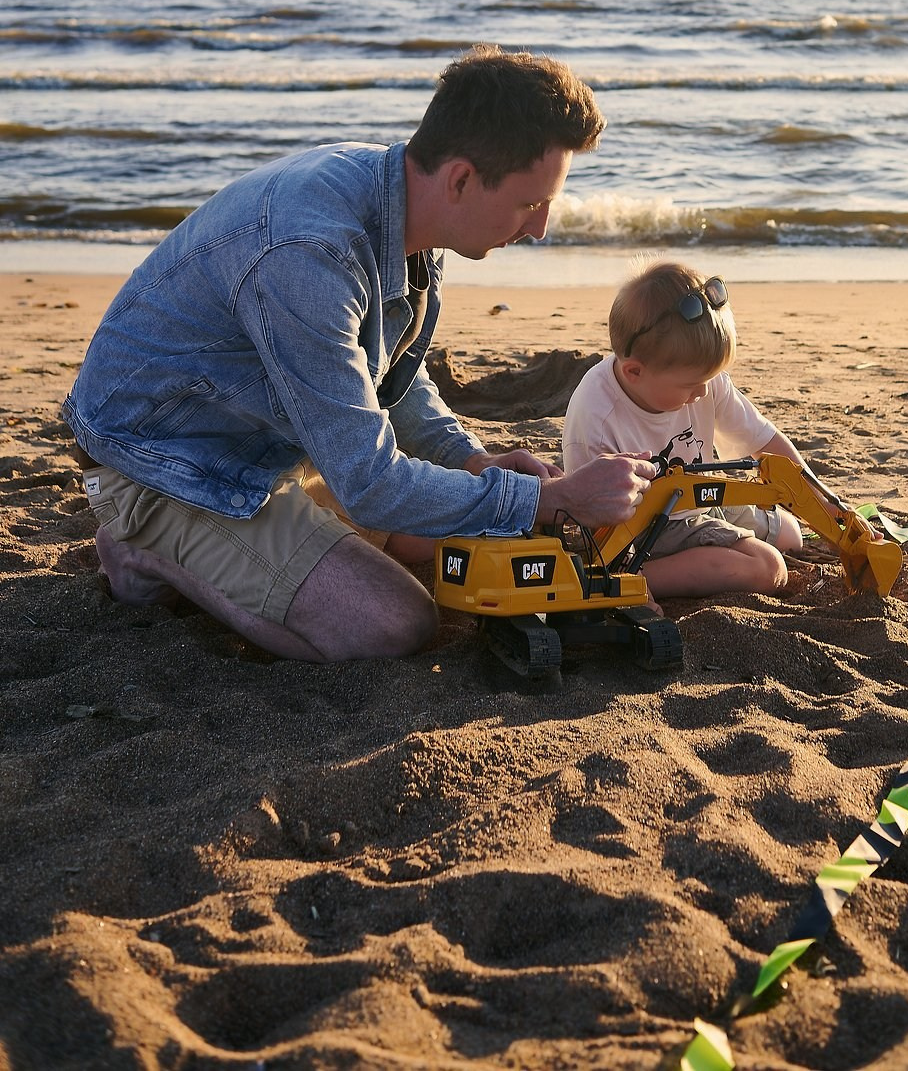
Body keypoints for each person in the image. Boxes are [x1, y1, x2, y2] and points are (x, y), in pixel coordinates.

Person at [62, 45, 656, 662]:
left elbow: (389, 365)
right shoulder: (311, 253)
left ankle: (251, 538)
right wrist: (548, 500)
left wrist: (470, 459)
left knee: (431, 525)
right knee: (390, 623)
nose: (541, 227)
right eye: (531, 203)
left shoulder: (403, 204)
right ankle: (143, 548)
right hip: (166, 467)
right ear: (460, 178)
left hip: (252, 448)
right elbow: (370, 483)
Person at [563, 260, 815, 600]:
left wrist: (830, 508)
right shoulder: (597, 417)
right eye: (692, 385)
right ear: (634, 372)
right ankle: (638, 580)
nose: (704, 393)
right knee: (769, 568)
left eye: (709, 380)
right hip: (645, 527)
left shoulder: (699, 380)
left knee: (791, 535)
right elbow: (596, 527)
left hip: (698, 498)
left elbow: (766, 443)